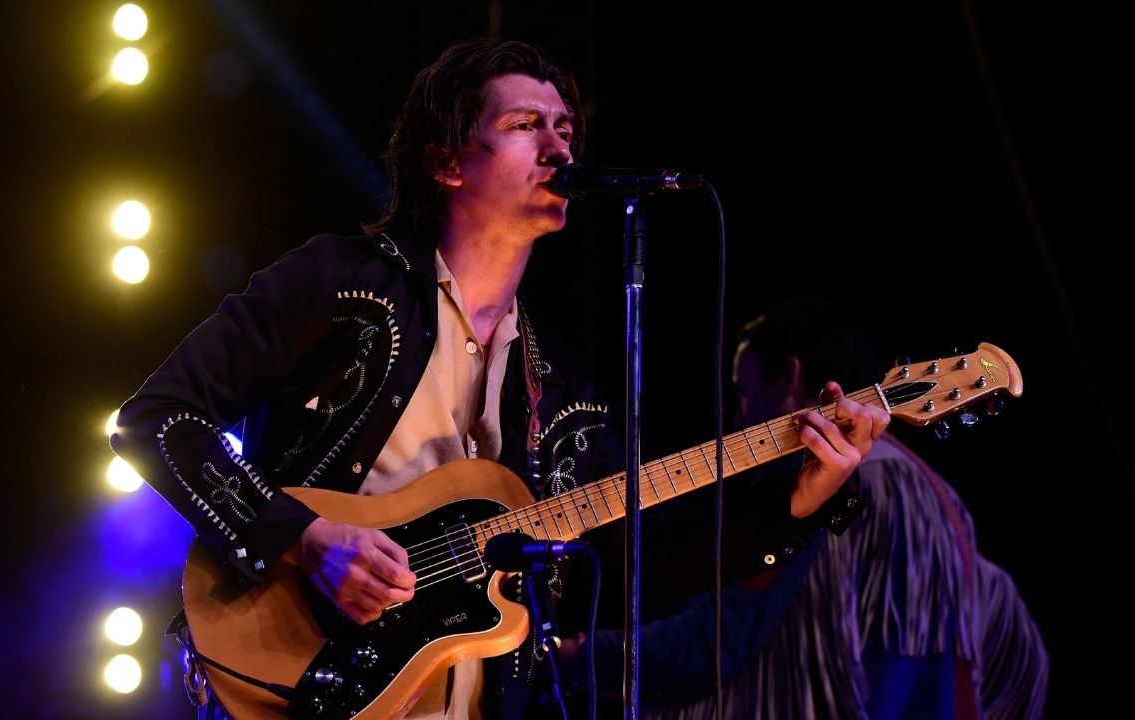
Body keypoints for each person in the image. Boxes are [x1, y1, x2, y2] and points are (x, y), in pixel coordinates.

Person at [109, 39, 889, 719]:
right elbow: (158, 418)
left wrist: (797, 499)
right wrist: (308, 541)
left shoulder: (565, 389)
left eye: (566, 130)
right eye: (524, 126)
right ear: (447, 161)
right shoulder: (339, 286)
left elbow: (629, 567)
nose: (559, 149)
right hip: (301, 682)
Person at [565, 297, 1049, 718]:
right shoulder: (933, 494)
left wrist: (579, 656)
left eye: (742, 391)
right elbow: (1019, 658)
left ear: (791, 375)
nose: (737, 417)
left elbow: (717, 644)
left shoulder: (826, 476)